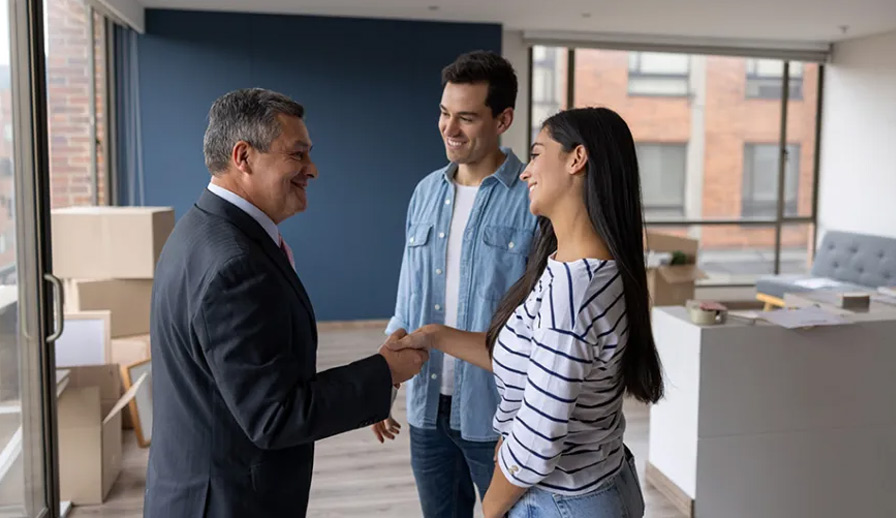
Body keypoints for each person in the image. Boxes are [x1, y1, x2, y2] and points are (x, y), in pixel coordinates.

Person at [144, 88, 428, 518]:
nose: (312, 169)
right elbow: (274, 416)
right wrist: (385, 371)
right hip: (227, 503)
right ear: (244, 157)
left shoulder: (199, 231)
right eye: (297, 155)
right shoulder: (235, 265)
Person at [391, 107, 664, 518]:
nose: (526, 171)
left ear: (577, 159)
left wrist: (491, 507)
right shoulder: (578, 267)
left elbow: (536, 442)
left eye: (537, 154)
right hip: (600, 481)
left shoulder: (574, 291)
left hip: (560, 501)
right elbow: (538, 363)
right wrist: (433, 335)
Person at [371, 50, 537, 518]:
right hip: (427, 411)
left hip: (499, 416)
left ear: (503, 118)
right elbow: (408, 301)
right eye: (445, 113)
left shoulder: (532, 199)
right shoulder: (425, 192)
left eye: (466, 117)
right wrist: (384, 380)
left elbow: (540, 320)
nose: (449, 128)